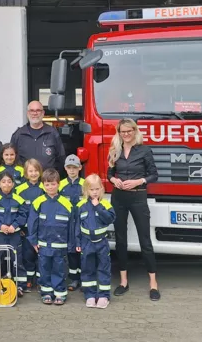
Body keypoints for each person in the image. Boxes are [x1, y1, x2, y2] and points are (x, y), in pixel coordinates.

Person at [107, 118, 160, 301]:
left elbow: (154, 174)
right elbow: (109, 173)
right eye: (123, 131)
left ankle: (153, 284)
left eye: (129, 131)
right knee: (121, 240)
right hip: (119, 197)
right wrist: (114, 181)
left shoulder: (144, 150)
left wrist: (138, 181)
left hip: (138, 196)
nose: (126, 134)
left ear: (135, 131)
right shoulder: (115, 149)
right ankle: (123, 282)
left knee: (145, 240)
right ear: (119, 132)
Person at [27, 168, 73, 305]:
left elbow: (71, 226)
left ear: (58, 184)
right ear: (43, 185)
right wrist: (34, 242)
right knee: (44, 269)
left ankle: (60, 293)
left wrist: (70, 244)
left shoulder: (66, 203)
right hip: (43, 245)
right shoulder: (38, 202)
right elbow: (32, 223)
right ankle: (46, 292)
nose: (50, 187)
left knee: (59, 269)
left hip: (60, 245)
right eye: (47, 184)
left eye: (53, 184)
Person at [74, 174, 116, 309]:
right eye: (92, 190)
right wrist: (78, 243)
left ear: (102, 189)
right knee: (87, 269)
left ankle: (104, 296)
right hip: (86, 243)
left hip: (101, 242)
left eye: (97, 189)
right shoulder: (81, 205)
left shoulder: (105, 204)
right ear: (86, 190)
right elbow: (77, 226)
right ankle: (90, 295)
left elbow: (110, 219)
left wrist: (98, 207)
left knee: (103, 268)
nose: (95, 192)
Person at [0, 171, 28, 297]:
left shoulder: (19, 199)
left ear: (13, 184)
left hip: (14, 236)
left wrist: (14, 226)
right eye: (3, 182)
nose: (6, 184)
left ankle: (20, 286)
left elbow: (23, 215)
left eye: (9, 181)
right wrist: (0, 226)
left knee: (17, 260)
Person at [15, 159, 44, 292]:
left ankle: (40, 280)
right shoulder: (19, 190)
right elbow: (17, 209)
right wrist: (20, 227)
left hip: (41, 229)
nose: (33, 173)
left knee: (41, 254)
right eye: (30, 171)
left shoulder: (45, 187)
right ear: (26, 173)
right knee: (28, 254)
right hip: (26, 229)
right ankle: (28, 280)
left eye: (36, 170)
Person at [10, 101, 66, 171]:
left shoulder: (52, 133)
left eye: (38, 110)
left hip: (47, 180)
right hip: (25, 180)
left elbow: (61, 158)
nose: (35, 113)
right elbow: (12, 159)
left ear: (43, 113)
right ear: (27, 113)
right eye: (32, 110)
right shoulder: (19, 134)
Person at [58, 154, 85, 292]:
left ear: (80, 168)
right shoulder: (60, 185)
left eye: (75, 167)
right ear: (65, 168)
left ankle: (84, 278)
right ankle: (74, 278)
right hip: (67, 224)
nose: (72, 170)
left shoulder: (85, 184)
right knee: (71, 251)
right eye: (69, 167)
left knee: (83, 250)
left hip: (82, 223)